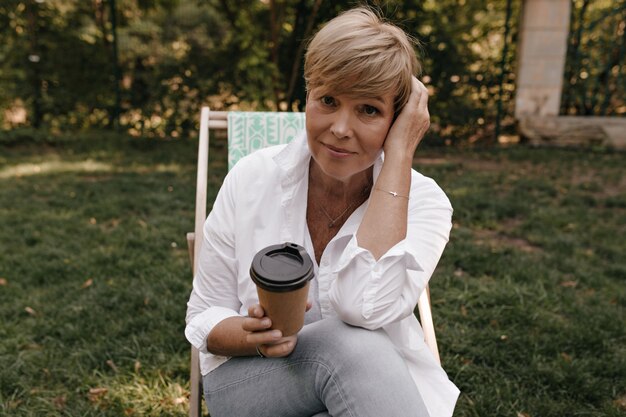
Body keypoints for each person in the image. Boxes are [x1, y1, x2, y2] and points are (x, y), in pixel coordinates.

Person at [185, 6, 459, 417]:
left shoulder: (425, 202)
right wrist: (252, 336)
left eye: (369, 109)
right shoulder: (252, 178)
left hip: (374, 388)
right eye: (328, 100)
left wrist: (399, 155)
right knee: (353, 348)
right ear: (308, 95)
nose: (341, 128)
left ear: (399, 119)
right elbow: (204, 313)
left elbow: (360, 306)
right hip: (254, 381)